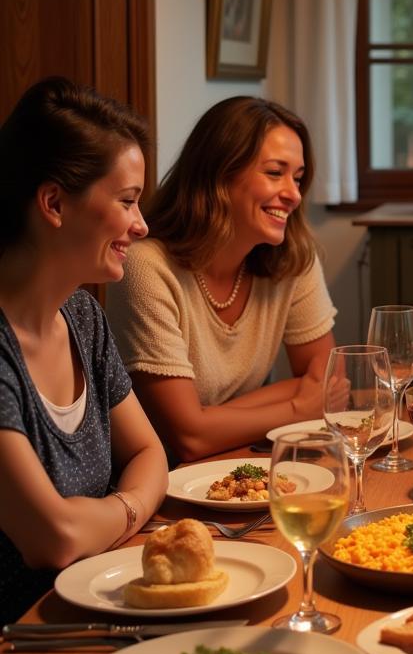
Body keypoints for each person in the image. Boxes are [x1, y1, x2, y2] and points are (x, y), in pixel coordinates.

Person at [0, 78, 168, 624]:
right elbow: (52, 538)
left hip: (94, 608)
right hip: (22, 646)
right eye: (127, 201)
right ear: (53, 203)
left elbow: (151, 455)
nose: (141, 225)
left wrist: (113, 510)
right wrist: (129, 509)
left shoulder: (82, 317)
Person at [106, 97, 336, 463]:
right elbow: (188, 437)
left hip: (241, 465)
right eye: (275, 173)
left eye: (298, 177)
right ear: (220, 173)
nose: (294, 194)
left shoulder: (293, 257)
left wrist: (215, 418)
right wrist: (296, 407)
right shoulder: (146, 266)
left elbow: (328, 383)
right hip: (157, 485)